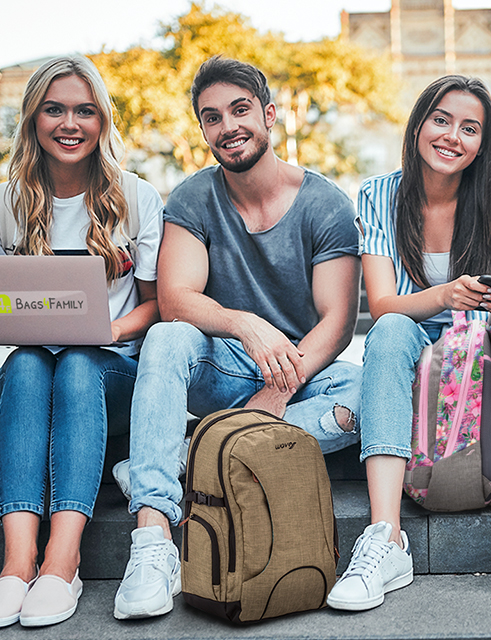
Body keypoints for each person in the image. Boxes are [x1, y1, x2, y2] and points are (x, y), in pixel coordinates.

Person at [111, 56, 363, 621]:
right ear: (203, 130)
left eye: (240, 109)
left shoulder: (325, 204)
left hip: (304, 368)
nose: (228, 126)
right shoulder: (194, 197)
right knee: (169, 338)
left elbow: (338, 323)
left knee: (375, 393)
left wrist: (282, 385)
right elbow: (175, 299)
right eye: (212, 117)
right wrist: (245, 324)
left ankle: (188, 453)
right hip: (226, 363)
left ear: (269, 115)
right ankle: (153, 538)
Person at [326, 75, 491, 612]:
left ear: (482, 144)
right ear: (419, 124)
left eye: (470, 129)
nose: (452, 137)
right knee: (392, 329)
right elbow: (382, 305)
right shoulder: (379, 194)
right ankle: (385, 537)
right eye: (441, 120)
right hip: (409, 339)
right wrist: (446, 294)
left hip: (478, 347)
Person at [0, 55, 163, 629]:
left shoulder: (136, 198)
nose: (69, 123)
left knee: (79, 360)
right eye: (54, 109)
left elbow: (158, 305)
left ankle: (63, 559)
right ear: (33, 119)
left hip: (113, 375)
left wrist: (111, 330)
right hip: (34, 375)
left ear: (102, 122)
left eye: (84, 111)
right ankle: (16, 563)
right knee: (28, 364)